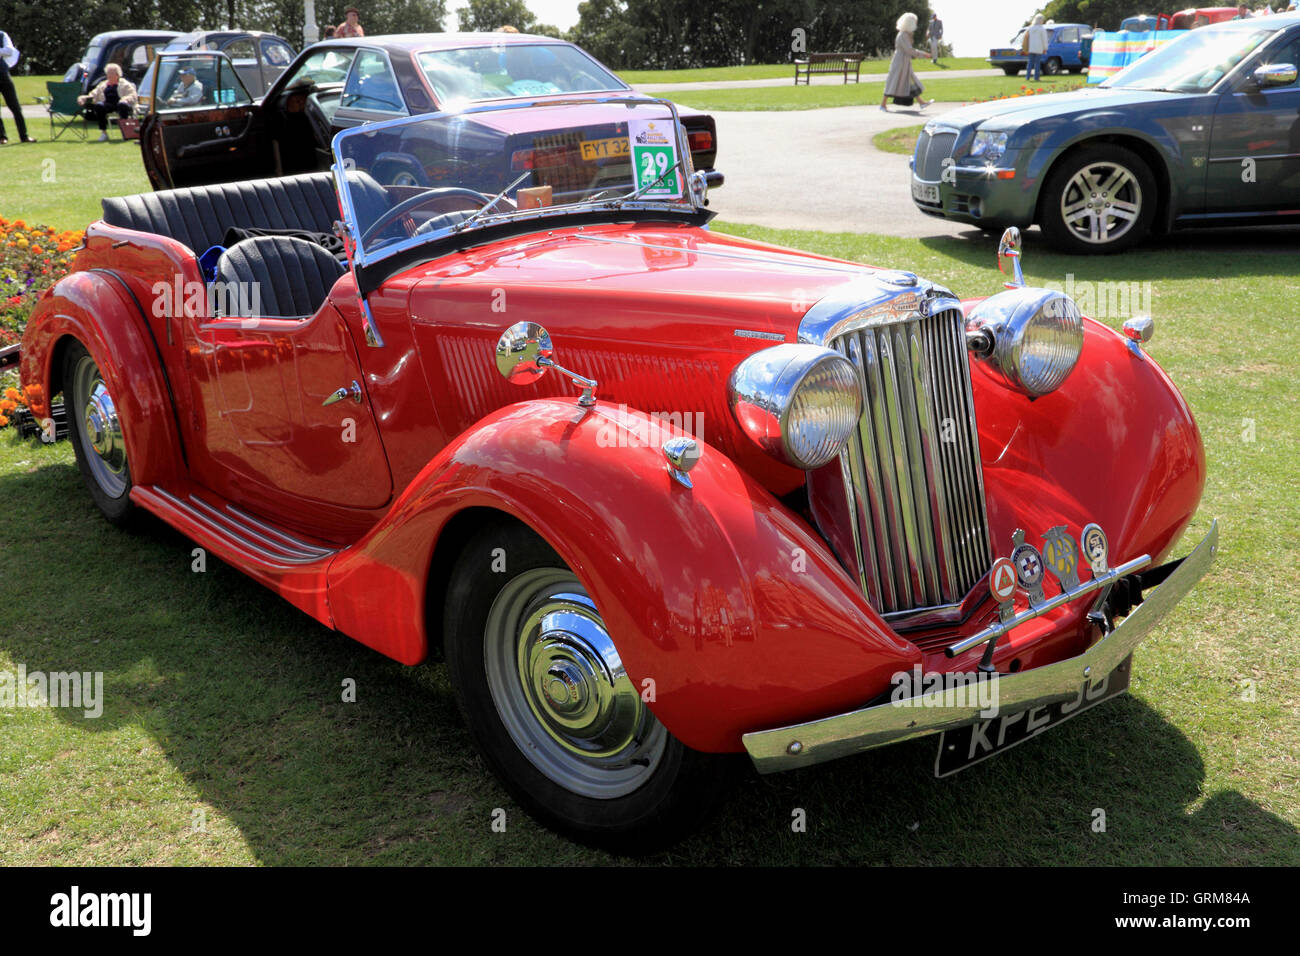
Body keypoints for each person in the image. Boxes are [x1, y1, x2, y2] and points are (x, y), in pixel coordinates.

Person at [881, 12, 933, 112]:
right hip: (900, 62)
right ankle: (883, 105)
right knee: (893, 81)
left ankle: (921, 102)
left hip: (904, 62)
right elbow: (909, 50)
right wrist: (923, 54)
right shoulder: (903, 35)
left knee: (909, 82)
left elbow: (909, 50)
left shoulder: (905, 34)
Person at [78, 63, 137, 142]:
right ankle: (104, 133)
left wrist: (125, 99)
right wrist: (84, 98)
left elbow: (133, 95)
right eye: (108, 73)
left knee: (122, 105)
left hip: (121, 103)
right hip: (108, 104)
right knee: (99, 106)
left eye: (111, 74)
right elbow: (94, 94)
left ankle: (125, 132)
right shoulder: (103, 85)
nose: (109, 76)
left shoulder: (125, 84)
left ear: (117, 74)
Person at [0, 27, 35, 144]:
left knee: (15, 107)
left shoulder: (2, 35)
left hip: (3, 74)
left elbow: (9, 50)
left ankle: (24, 136)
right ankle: (2, 137)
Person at [1025, 14, 1049, 82]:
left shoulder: (1030, 28)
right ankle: (1036, 77)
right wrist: (1045, 48)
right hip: (1039, 48)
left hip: (1031, 48)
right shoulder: (1041, 29)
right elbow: (1044, 39)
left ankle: (1027, 76)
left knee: (1030, 63)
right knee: (1037, 64)